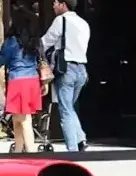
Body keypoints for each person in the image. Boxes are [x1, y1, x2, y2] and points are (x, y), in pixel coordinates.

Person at [0, 9, 43, 152]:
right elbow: (42, 60)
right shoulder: (35, 40)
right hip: (33, 80)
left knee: (24, 119)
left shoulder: (12, 42)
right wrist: (44, 83)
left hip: (18, 81)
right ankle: (18, 150)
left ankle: (31, 152)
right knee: (17, 118)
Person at [40, 0, 88, 151]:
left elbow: (45, 42)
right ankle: (81, 139)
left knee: (65, 110)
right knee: (69, 107)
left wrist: (32, 47)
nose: (53, 6)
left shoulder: (61, 20)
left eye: (55, 2)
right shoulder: (84, 23)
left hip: (66, 69)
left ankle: (72, 150)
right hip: (81, 69)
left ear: (63, 4)